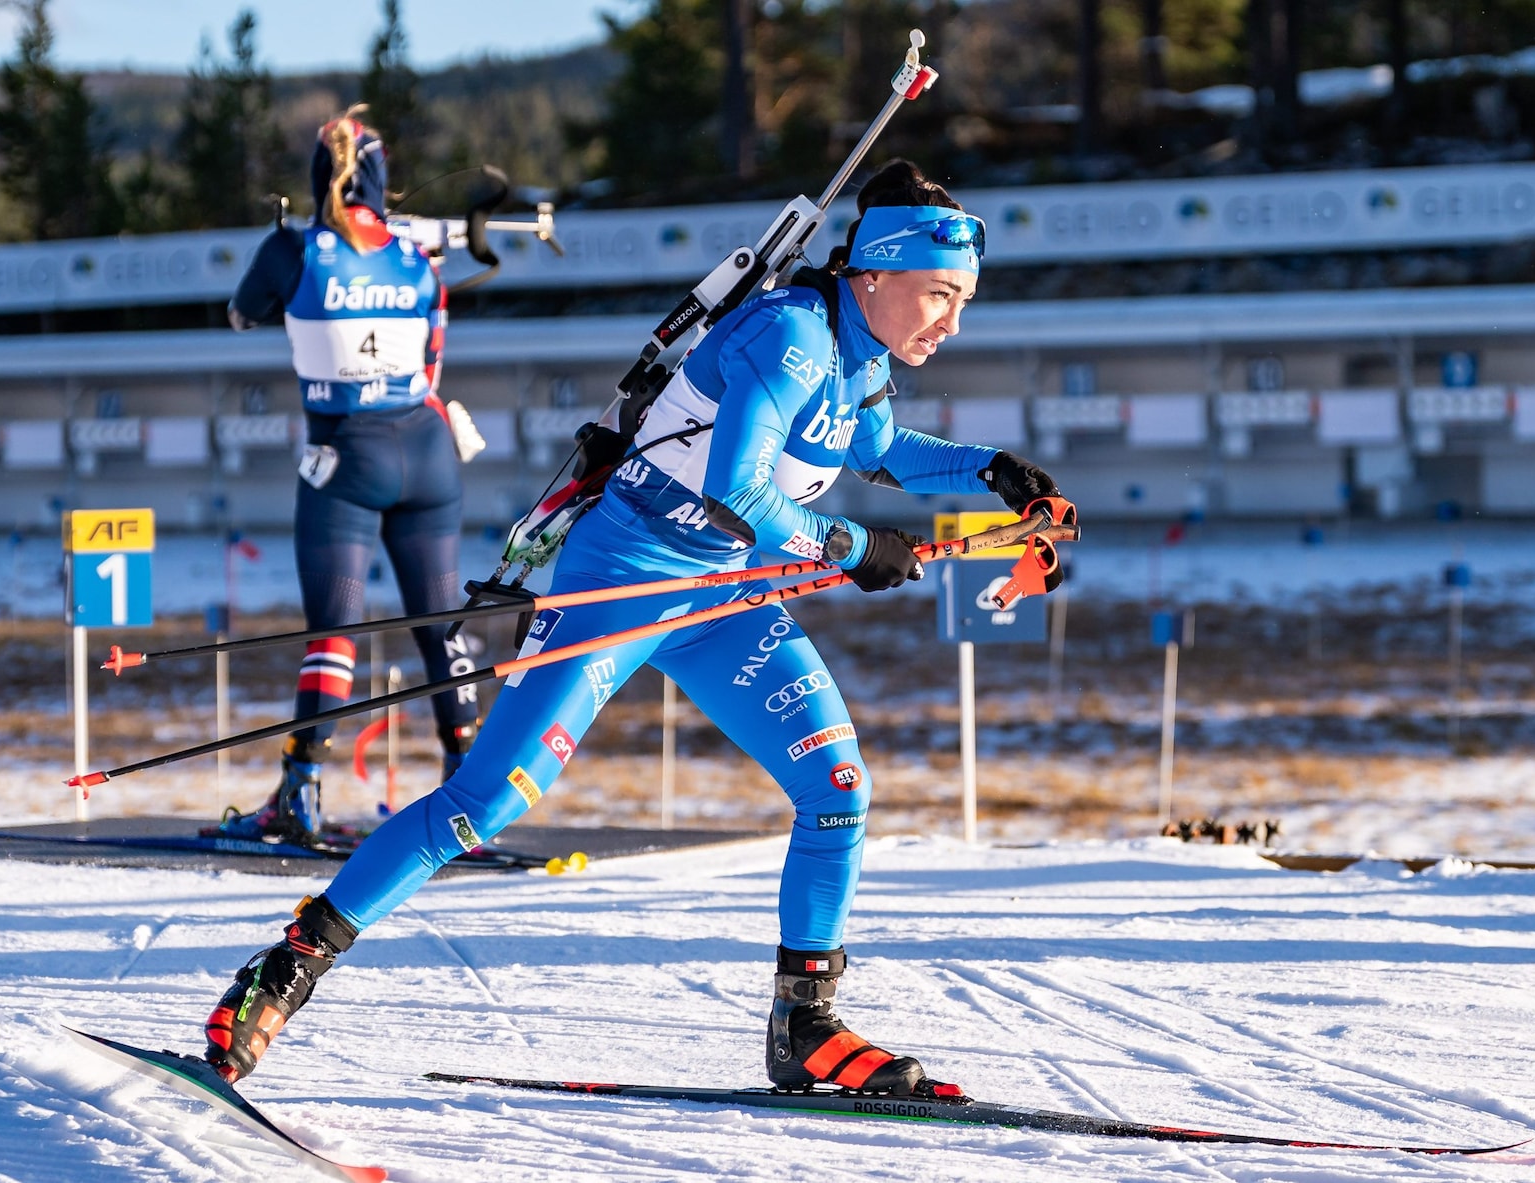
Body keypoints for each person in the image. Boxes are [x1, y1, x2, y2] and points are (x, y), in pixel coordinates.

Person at [202, 160, 1064, 1096]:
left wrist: (995, 470)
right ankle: (286, 965)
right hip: (626, 576)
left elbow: (882, 449)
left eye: (963, 301)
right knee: (483, 805)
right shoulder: (791, 335)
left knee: (838, 789)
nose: (951, 322)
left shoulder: (860, 359)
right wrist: (852, 544)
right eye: (939, 294)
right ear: (877, 272)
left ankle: (805, 1025)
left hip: (724, 596)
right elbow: (737, 490)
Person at [217, 107, 483, 841]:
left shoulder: (292, 248)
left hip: (346, 456)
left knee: (334, 633)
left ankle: (300, 794)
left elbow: (241, 313)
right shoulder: (416, 257)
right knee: (440, 625)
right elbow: (433, 354)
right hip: (426, 452)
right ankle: (474, 796)